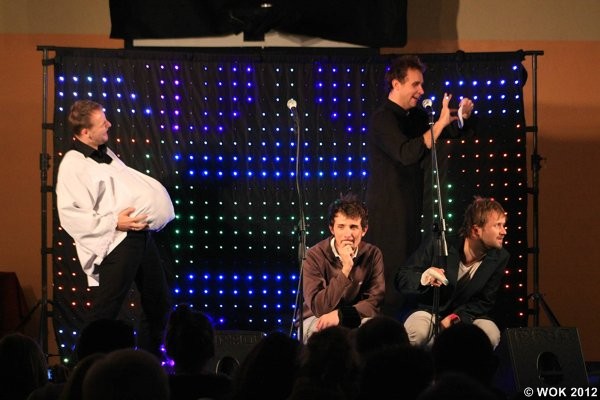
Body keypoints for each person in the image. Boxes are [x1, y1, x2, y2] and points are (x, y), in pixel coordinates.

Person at [55, 100, 175, 357]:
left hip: (140, 236)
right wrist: (114, 222)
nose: (109, 124)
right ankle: (81, 366)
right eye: (102, 122)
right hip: (119, 240)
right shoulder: (73, 164)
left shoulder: (106, 153)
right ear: (85, 132)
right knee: (106, 310)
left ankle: (148, 361)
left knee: (159, 302)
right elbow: (70, 214)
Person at [365, 54, 475, 319]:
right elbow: (406, 153)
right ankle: (385, 327)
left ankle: (406, 326)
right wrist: (439, 124)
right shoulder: (382, 119)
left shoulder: (414, 116)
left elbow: (443, 132)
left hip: (411, 206)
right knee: (391, 271)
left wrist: (460, 117)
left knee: (410, 269)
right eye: (415, 84)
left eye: (422, 84)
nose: (421, 90)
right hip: (388, 212)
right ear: (396, 84)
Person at [395, 196, 509, 348]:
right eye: (497, 225)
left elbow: (484, 301)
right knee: (418, 333)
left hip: (466, 315)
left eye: (503, 225)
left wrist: (456, 317)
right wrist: (424, 277)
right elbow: (402, 277)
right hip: (428, 310)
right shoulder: (440, 244)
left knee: (490, 334)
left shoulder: (500, 257)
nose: (503, 231)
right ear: (476, 230)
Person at [300, 194, 385, 343]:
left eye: (353, 227)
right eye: (341, 227)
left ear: (364, 230)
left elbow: (374, 301)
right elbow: (318, 307)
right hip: (317, 317)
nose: (347, 234)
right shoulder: (314, 255)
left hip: (355, 317)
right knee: (327, 336)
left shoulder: (373, 254)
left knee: (375, 333)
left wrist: (342, 315)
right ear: (332, 229)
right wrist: (346, 270)